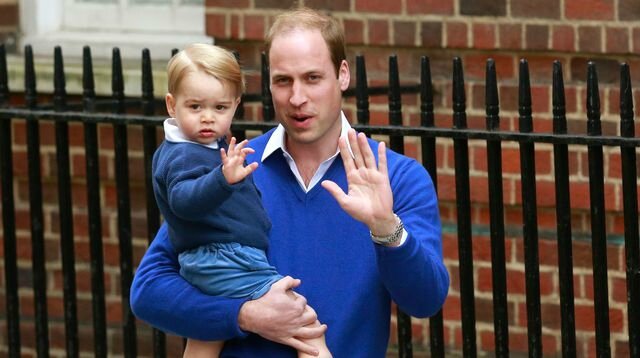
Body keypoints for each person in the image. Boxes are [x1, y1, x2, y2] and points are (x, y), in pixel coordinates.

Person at [131, 7, 449, 357]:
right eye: (283, 81)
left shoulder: (398, 178)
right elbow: (148, 291)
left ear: (342, 75)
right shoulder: (233, 167)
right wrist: (245, 315)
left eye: (312, 78)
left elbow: (426, 301)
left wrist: (385, 226)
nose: (297, 98)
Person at [150, 43, 331, 357]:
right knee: (307, 326)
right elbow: (183, 201)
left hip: (214, 258)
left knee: (205, 337)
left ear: (235, 106)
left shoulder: (206, 147)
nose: (207, 118)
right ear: (171, 105)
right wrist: (222, 179)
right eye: (195, 107)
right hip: (226, 258)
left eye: (219, 108)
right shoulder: (183, 155)